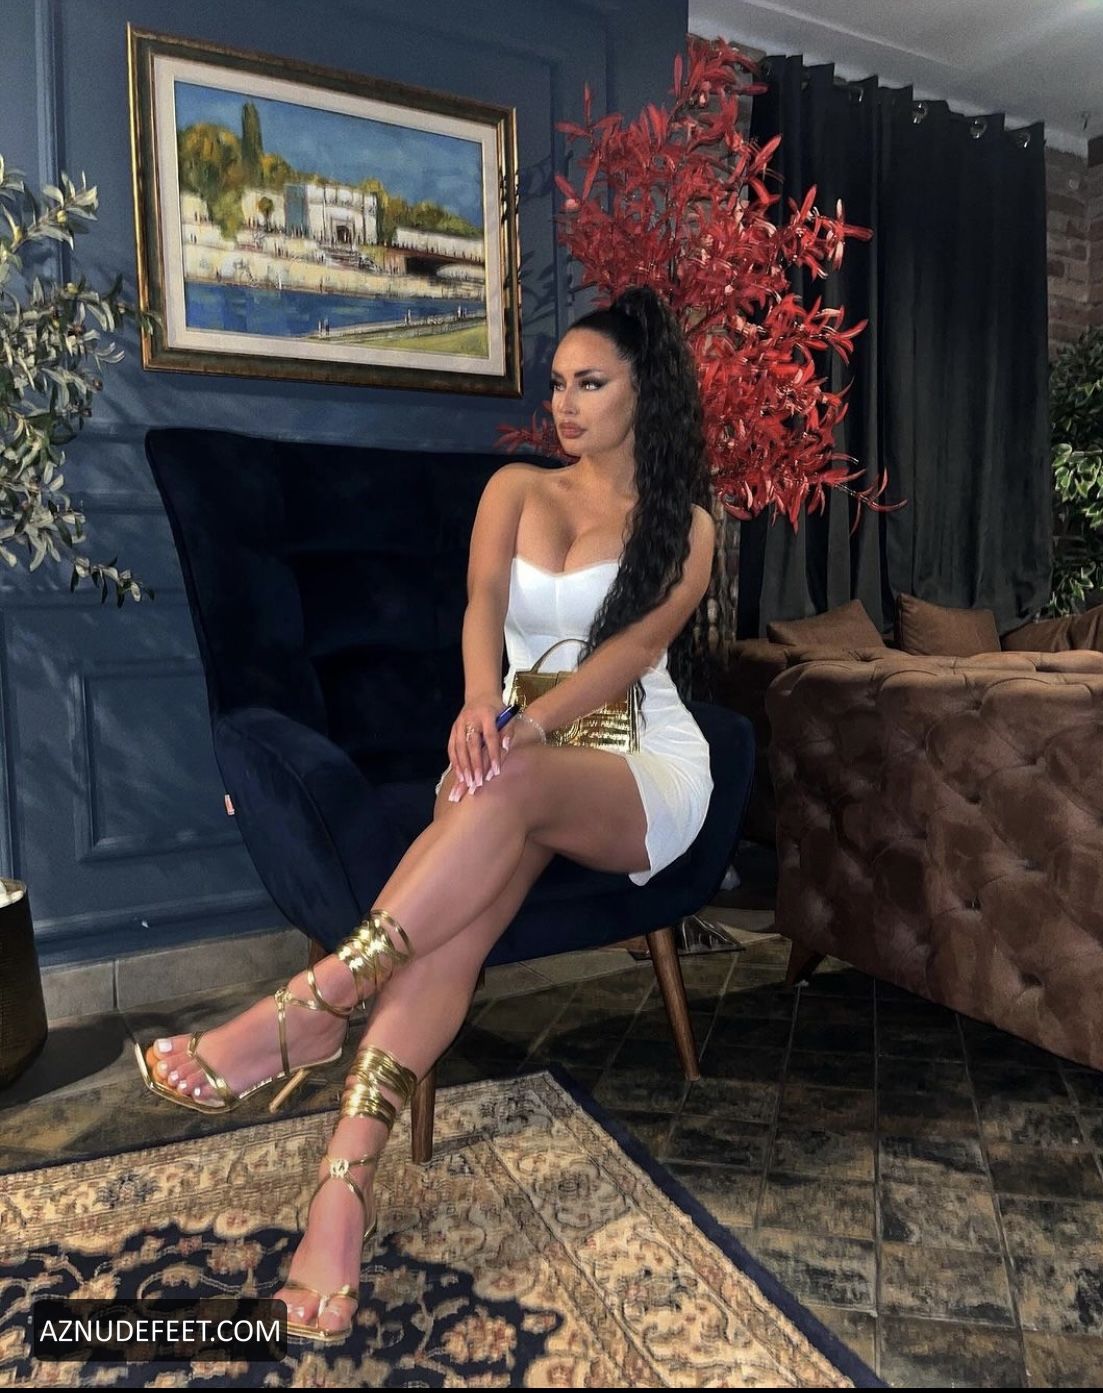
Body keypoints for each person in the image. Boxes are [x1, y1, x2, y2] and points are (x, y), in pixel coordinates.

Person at [135, 285, 716, 1343]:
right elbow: (482, 604)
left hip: (638, 763)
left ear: (647, 391)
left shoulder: (687, 527)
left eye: (590, 383)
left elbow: (634, 654)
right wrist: (479, 707)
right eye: (557, 384)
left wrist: (528, 730)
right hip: (518, 744)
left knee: (504, 786)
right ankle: (342, 1187)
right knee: (458, 916)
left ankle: (322, 992)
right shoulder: (515, 488)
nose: (563, 404)